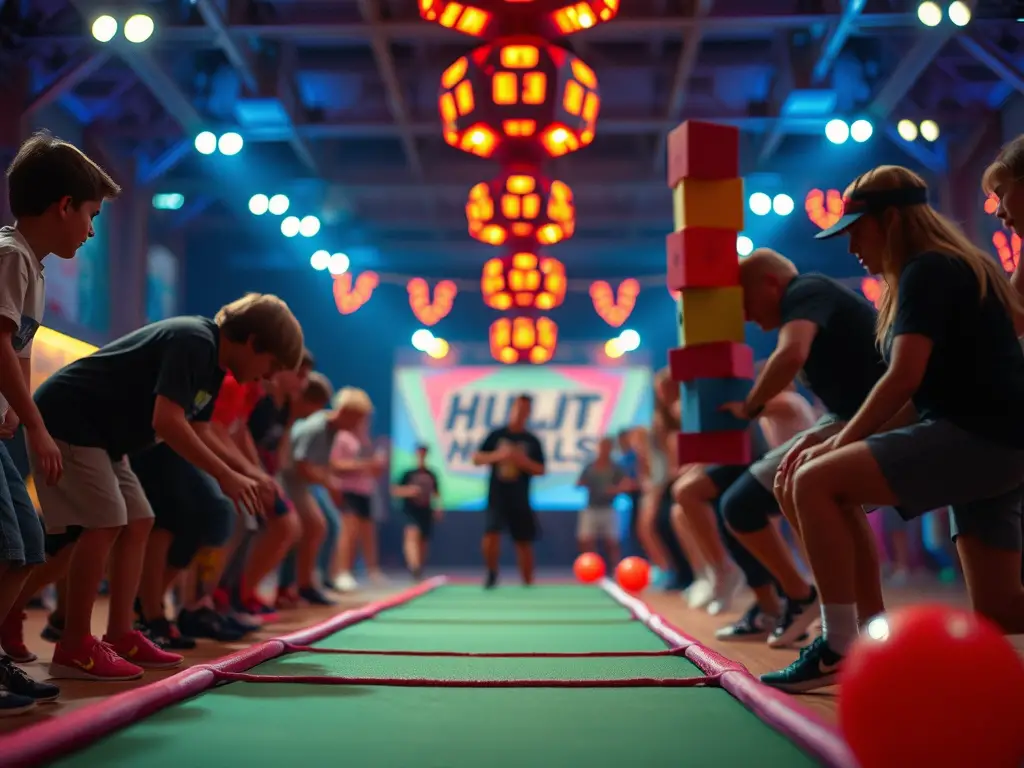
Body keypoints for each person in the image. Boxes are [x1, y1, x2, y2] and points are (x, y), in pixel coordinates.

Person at [767, 165, 1024, 693]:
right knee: (1003, 611)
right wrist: (830, 437)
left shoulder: (927, 270)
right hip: (998, 440)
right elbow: (924, 393)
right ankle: (866, 633)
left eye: (854, 231)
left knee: (815, 481)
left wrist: (841, 439)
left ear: (888, 220)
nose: (850, 247)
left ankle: (842, 643)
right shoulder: (946, 267)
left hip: (984, 439)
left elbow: (903, 379)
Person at [29, 293, 303, 681]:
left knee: (140, 519)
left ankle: (122, 633)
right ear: (254, 342)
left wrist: (246, 471)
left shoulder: (214, 366)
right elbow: (168, 421)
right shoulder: (195, 340)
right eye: (270, 364)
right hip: (71, 419)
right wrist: (226, 475)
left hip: (108, 439)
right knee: (103, 523)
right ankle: (74, 643)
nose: (268, 377)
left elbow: (202, 428)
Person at [689, 247, 890, 658]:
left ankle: (846, 625)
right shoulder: (809, 301)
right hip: (846, 417)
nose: (745, 316)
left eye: (745, 302)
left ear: (770, 283)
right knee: (751, 503)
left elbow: (791, 353)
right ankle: (846, 617)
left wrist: (750, 406)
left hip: (871, 415)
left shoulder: (806, 289)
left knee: (790, 493)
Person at [0, 131, 111, 712]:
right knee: (14, 548)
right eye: (90, 215)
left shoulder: (33, 269)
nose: (92, 230)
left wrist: (18, 413)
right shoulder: (11, 255)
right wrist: (37, 425)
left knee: (26, 546)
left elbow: (16, 352)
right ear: (63, 206)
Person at [287, 385, 381, 592]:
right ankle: (298, 583)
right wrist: (329, 483)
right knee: (309, 526)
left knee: (327, 525)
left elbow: (320, 465)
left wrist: (327, 481)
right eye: (357, 418)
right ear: (346, 413)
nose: (359, 424)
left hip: (309, 484)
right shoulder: (317, 427)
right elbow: (300, 464)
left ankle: (313, 581)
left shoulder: (333, 430)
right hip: (291, 481)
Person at [473, 394, 546, 588]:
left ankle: (528, 582)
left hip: (520, 497)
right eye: (518, 407)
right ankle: (491, 573)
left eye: (525, 409)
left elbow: (541, 469)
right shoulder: (497, 435)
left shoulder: (531, 440)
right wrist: (500, 455)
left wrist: (523, 462)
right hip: (497, 495)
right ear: (512, 408)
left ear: (529, 412)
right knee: (491, 535)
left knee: (524, 541)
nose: (521, 412)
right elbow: (477, 458)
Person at [328, 389, 387, 590]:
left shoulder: (363, 438)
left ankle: (373, 570)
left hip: (365, 490)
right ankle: (343, 572)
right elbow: (335, 464)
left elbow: (370, 469)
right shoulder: (341, 436)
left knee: (368, 532)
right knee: (349, 532)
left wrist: (374, 466)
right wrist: (365, 464)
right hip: (347, 490)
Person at [392, 444, 442, 580]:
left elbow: (437, 494)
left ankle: (419, 567)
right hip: (410, 510)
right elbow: (395, 491)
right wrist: (409, 491)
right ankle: (413, 566)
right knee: (412, 535)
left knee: (424, 541)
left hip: (425, 510)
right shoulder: (407, 474)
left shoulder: (432, 474)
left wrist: (438, 508)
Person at [576, 436, 628, 565]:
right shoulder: (590, 466)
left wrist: (614, 490)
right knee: (586, 540)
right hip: (591, 507)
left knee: (612, 542)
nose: (604, 450)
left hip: (609, 508)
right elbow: (579, 482)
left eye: (607, 447)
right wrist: (585, 484)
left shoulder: (616, 468)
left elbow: (627, 484)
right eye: (602, 446)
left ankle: (615, 568)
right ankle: (590, 567)